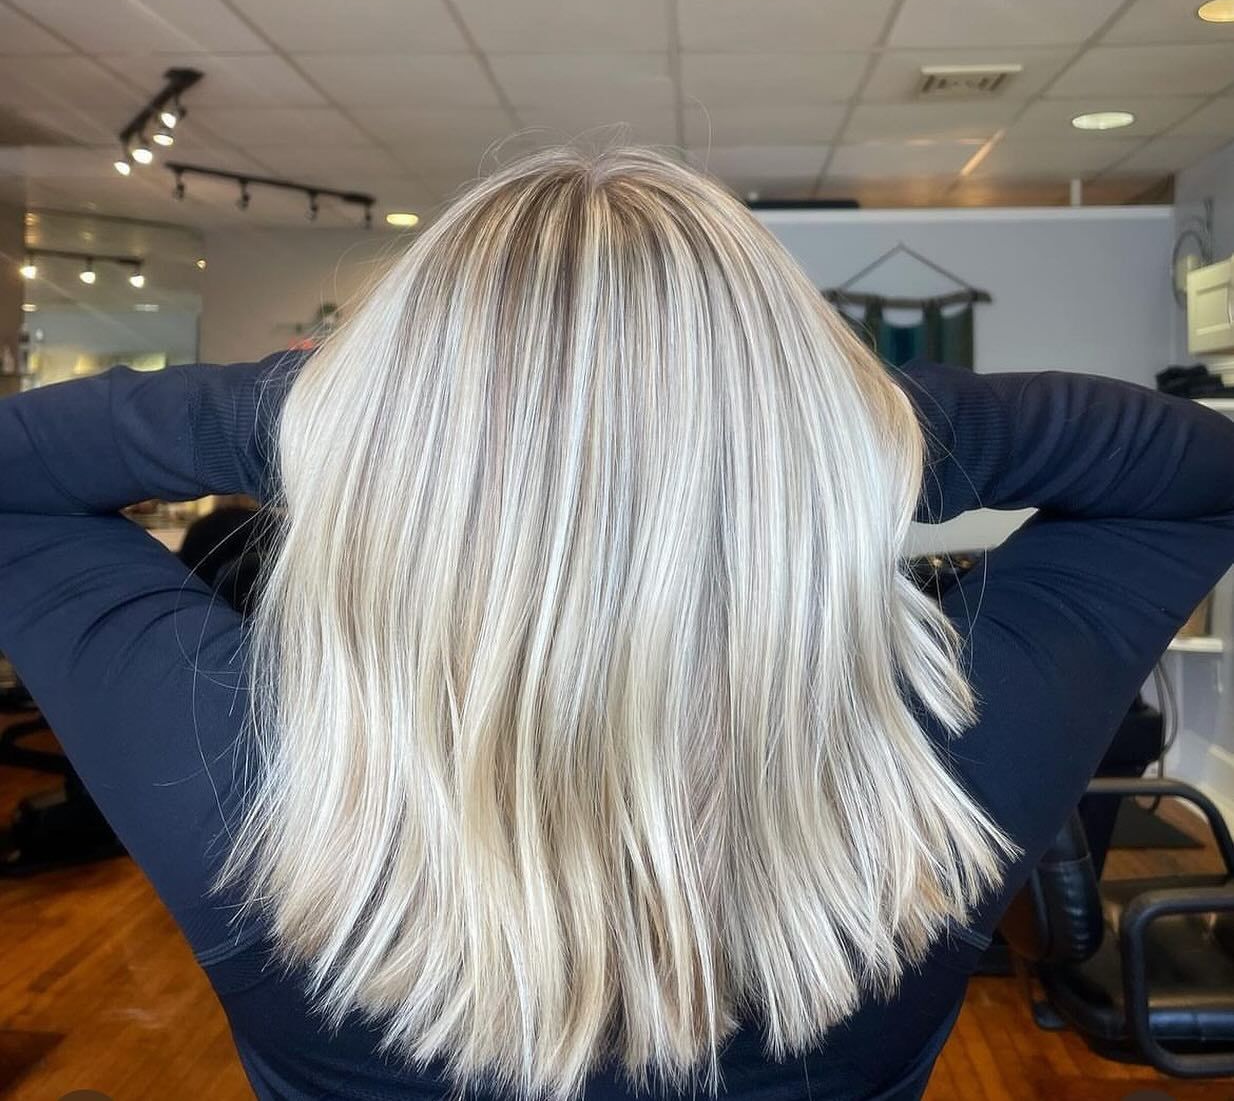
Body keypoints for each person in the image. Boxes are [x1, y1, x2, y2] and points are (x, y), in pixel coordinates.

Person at [1, 146, 1232, 1101]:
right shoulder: (942, 765)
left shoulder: (243, 772)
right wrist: (838, 427)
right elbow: (1195, 471)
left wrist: (340, 417)